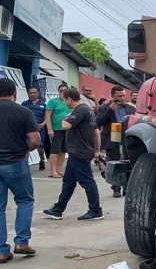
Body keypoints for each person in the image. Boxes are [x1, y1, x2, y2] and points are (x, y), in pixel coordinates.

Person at [43, 88, 102, 221]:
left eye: (64, 100)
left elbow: (65, 125)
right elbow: (96, 132)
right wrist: (97, 150)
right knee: (68, 181)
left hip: (79, 151)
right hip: (78, 151)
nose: (64, 103)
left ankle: (96, 210)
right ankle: (58, 209)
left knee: (87, 181)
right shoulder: (88, 110)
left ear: (69, 99)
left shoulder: (81, 110)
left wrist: (66, 117)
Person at [0, 78, 41, 262]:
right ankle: (22, 242)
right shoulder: (23, 111)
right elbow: (35, 140)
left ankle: (2, 250)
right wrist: (26, 151)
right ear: (15, 93)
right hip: (16, 162)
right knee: (24, 200)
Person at [97, 85, 135, 198]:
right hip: (112, 139)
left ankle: (127, 187)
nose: (122, 98)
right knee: (113, 163)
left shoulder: (130, 107)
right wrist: (110, 110)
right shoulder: (105, 107)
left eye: (123, 96)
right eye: (119, 96)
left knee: (129, 162)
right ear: (112, 96)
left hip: (127, 139)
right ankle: (116, 188)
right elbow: (98, 122)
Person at [44, 84, 71, 179]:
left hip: (67, 129)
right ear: (58, 91)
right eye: (61, 90)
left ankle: (58, 169)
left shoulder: (70, 102)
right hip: (56, 129)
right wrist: (49, 129)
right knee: (55, 150)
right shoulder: (53, 101)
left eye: (65, 90)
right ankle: (53, 171)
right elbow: (47, 115)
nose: (63, 92)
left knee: (63, 151)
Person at [21, 87, 47, 171]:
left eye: (34, 92)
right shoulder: (24, 104)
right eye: (30, 93)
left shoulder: (43, 104)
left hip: (39, 128)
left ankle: (42, 159)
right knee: (27, 146)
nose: (32, 94)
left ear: (37, 94)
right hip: (27, 128)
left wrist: (43, 124)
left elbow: (47, 116)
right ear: (28, 94)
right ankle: (25, 164)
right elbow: (21, 114)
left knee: (40, 147)